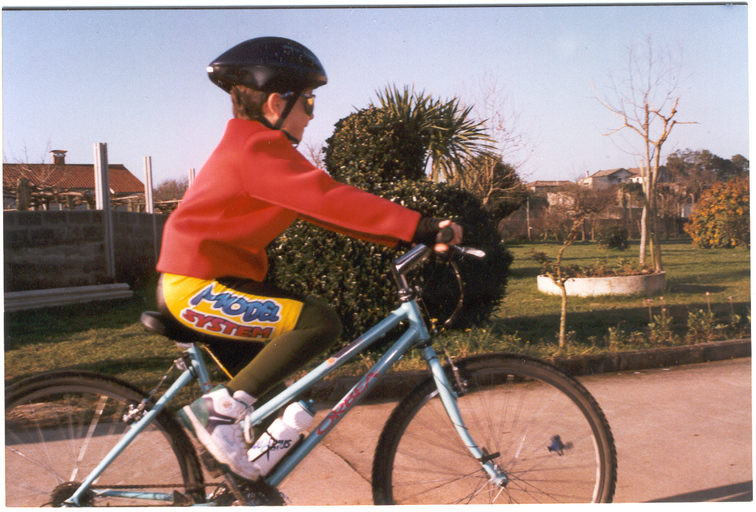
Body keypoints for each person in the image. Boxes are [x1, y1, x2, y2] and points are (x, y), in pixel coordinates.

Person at [155, 36, 462, 481]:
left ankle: (242, 482)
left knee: (286, 409)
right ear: (277, 103)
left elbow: (325, 211)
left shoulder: (256, 149)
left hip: (210, 286)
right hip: (197, 288)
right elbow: (327, 196)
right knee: (319, 322)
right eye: (310, 102)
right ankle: (215, 414)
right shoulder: (255, 150)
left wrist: (402, 237)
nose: (313, 115)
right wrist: (421, 226)